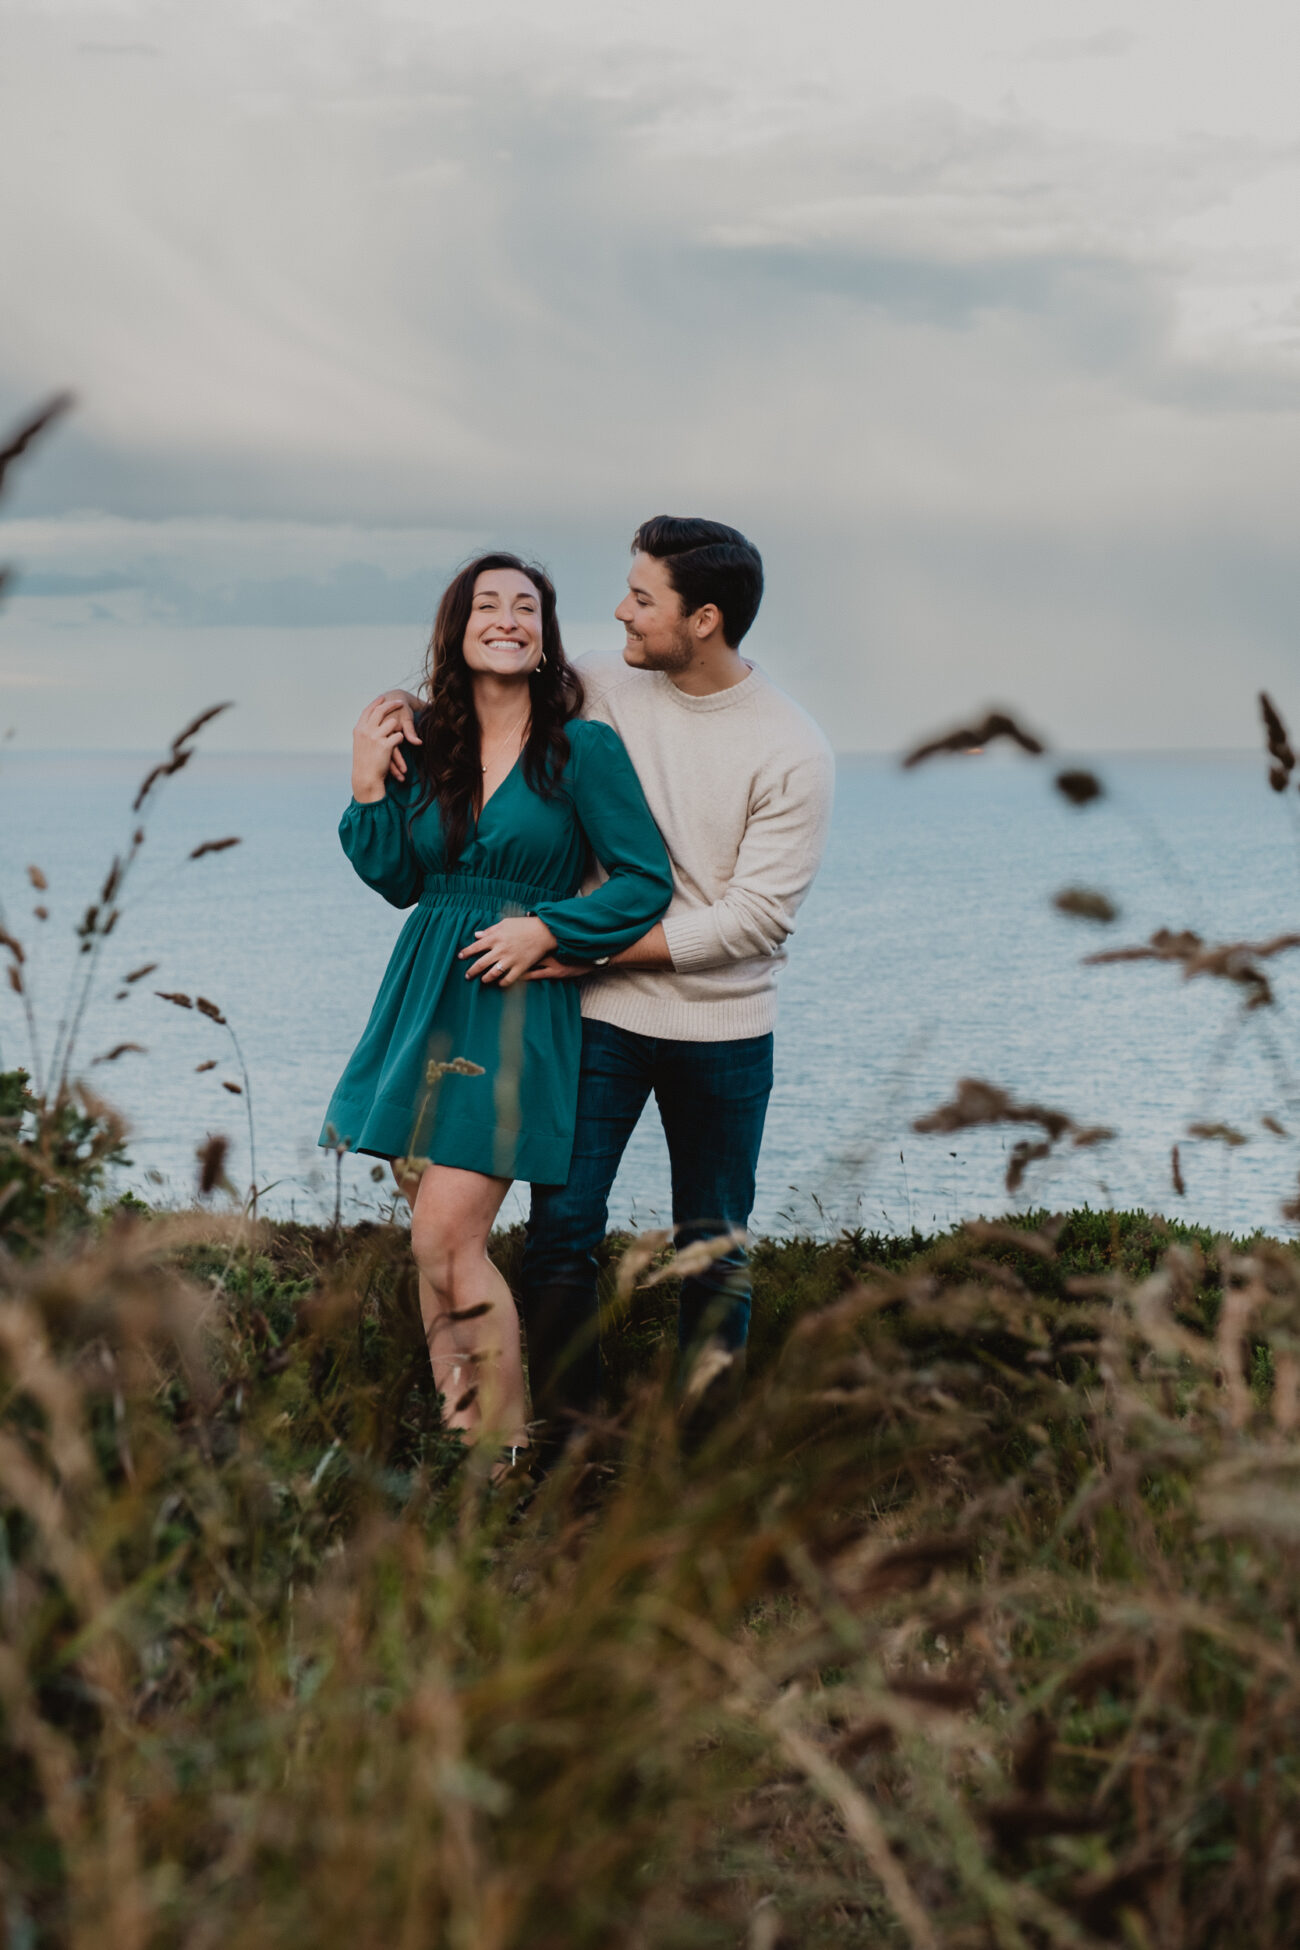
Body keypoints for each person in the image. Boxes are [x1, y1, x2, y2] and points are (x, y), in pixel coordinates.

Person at [378, 516, 834, 1445]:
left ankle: (699, 1455)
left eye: (642, 598)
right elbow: (491, 701)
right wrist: (390, 725)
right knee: (561, 1236)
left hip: (722, 1027)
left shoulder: (792, 747)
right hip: (598, 1018)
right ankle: (570, 1446)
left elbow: (755, 920)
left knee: (713, 1250)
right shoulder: (596, 681)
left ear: (702, 619)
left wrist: (575, 944)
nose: (619, 611)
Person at [322, 552, 672, 1467]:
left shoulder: (580, 750)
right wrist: (367, 782)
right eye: (489, 604)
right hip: (422, 999)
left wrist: (549, 931)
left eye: (528, 607)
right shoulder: (427, 743)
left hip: (515, 1005)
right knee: (428, 1249)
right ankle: (467, 1451)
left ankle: (507, 1450)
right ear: (459, 627)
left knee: (448, 1231)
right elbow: (401, 880)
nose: (509, 619)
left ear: (546, 635)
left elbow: (643, 881)